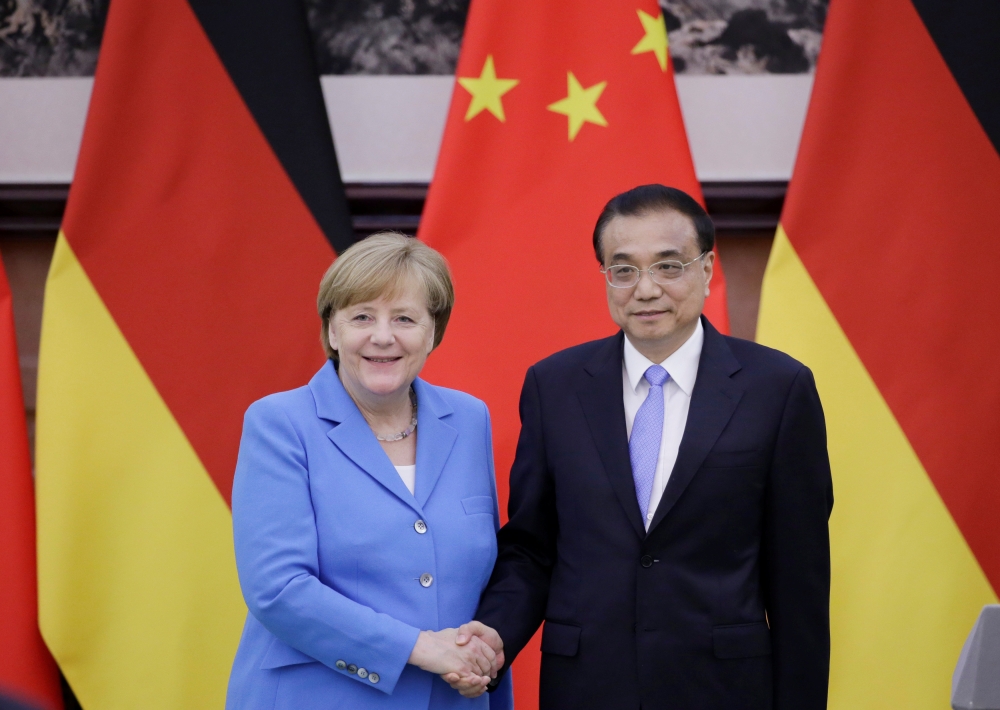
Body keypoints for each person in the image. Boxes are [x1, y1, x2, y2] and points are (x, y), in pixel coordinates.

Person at [452, 185, 833, 709]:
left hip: (724, 690)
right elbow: (533, 549)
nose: (646, 289)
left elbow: (799, 579)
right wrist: (494, 636)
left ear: (706, 268)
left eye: (669, 266)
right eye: (624, 269)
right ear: (605, 276)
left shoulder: (778, 388)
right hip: (588, 687)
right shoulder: (555, 386)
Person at [226, 232, 513, 709]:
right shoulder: (280, 422)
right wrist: (420, 649)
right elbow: (278, 589)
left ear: (433, 331)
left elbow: (483, 572)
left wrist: (479, 657)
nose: (383, 336)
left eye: (404, 318)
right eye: (362, 317)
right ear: (332, 331)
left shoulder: (468, 418)